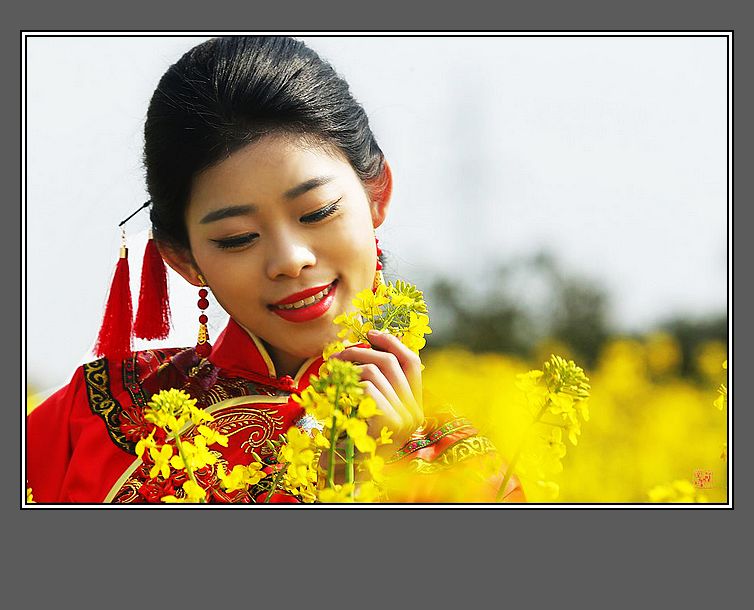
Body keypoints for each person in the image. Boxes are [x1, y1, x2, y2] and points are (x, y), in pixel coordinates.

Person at [26, 36, 525, 504]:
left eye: (317, 212)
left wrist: (370, 474)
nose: (290, 259)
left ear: (377, 194)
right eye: (237, 238)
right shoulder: (89, 420)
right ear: (183, 258)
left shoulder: (474, 475)